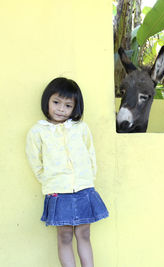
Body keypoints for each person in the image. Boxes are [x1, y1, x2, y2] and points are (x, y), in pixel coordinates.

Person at [25, 77, 108, 267]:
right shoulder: (38, 132)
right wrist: (49, 180)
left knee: (84, 234)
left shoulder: (81, 129)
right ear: (47, 100)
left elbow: (90, 154)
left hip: (83, 189)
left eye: (68, 105)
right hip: (58, 192)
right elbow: (35, 162)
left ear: (75, 108)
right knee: (64, 236)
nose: (61, 109)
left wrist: (88, 179)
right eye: (56, 102)